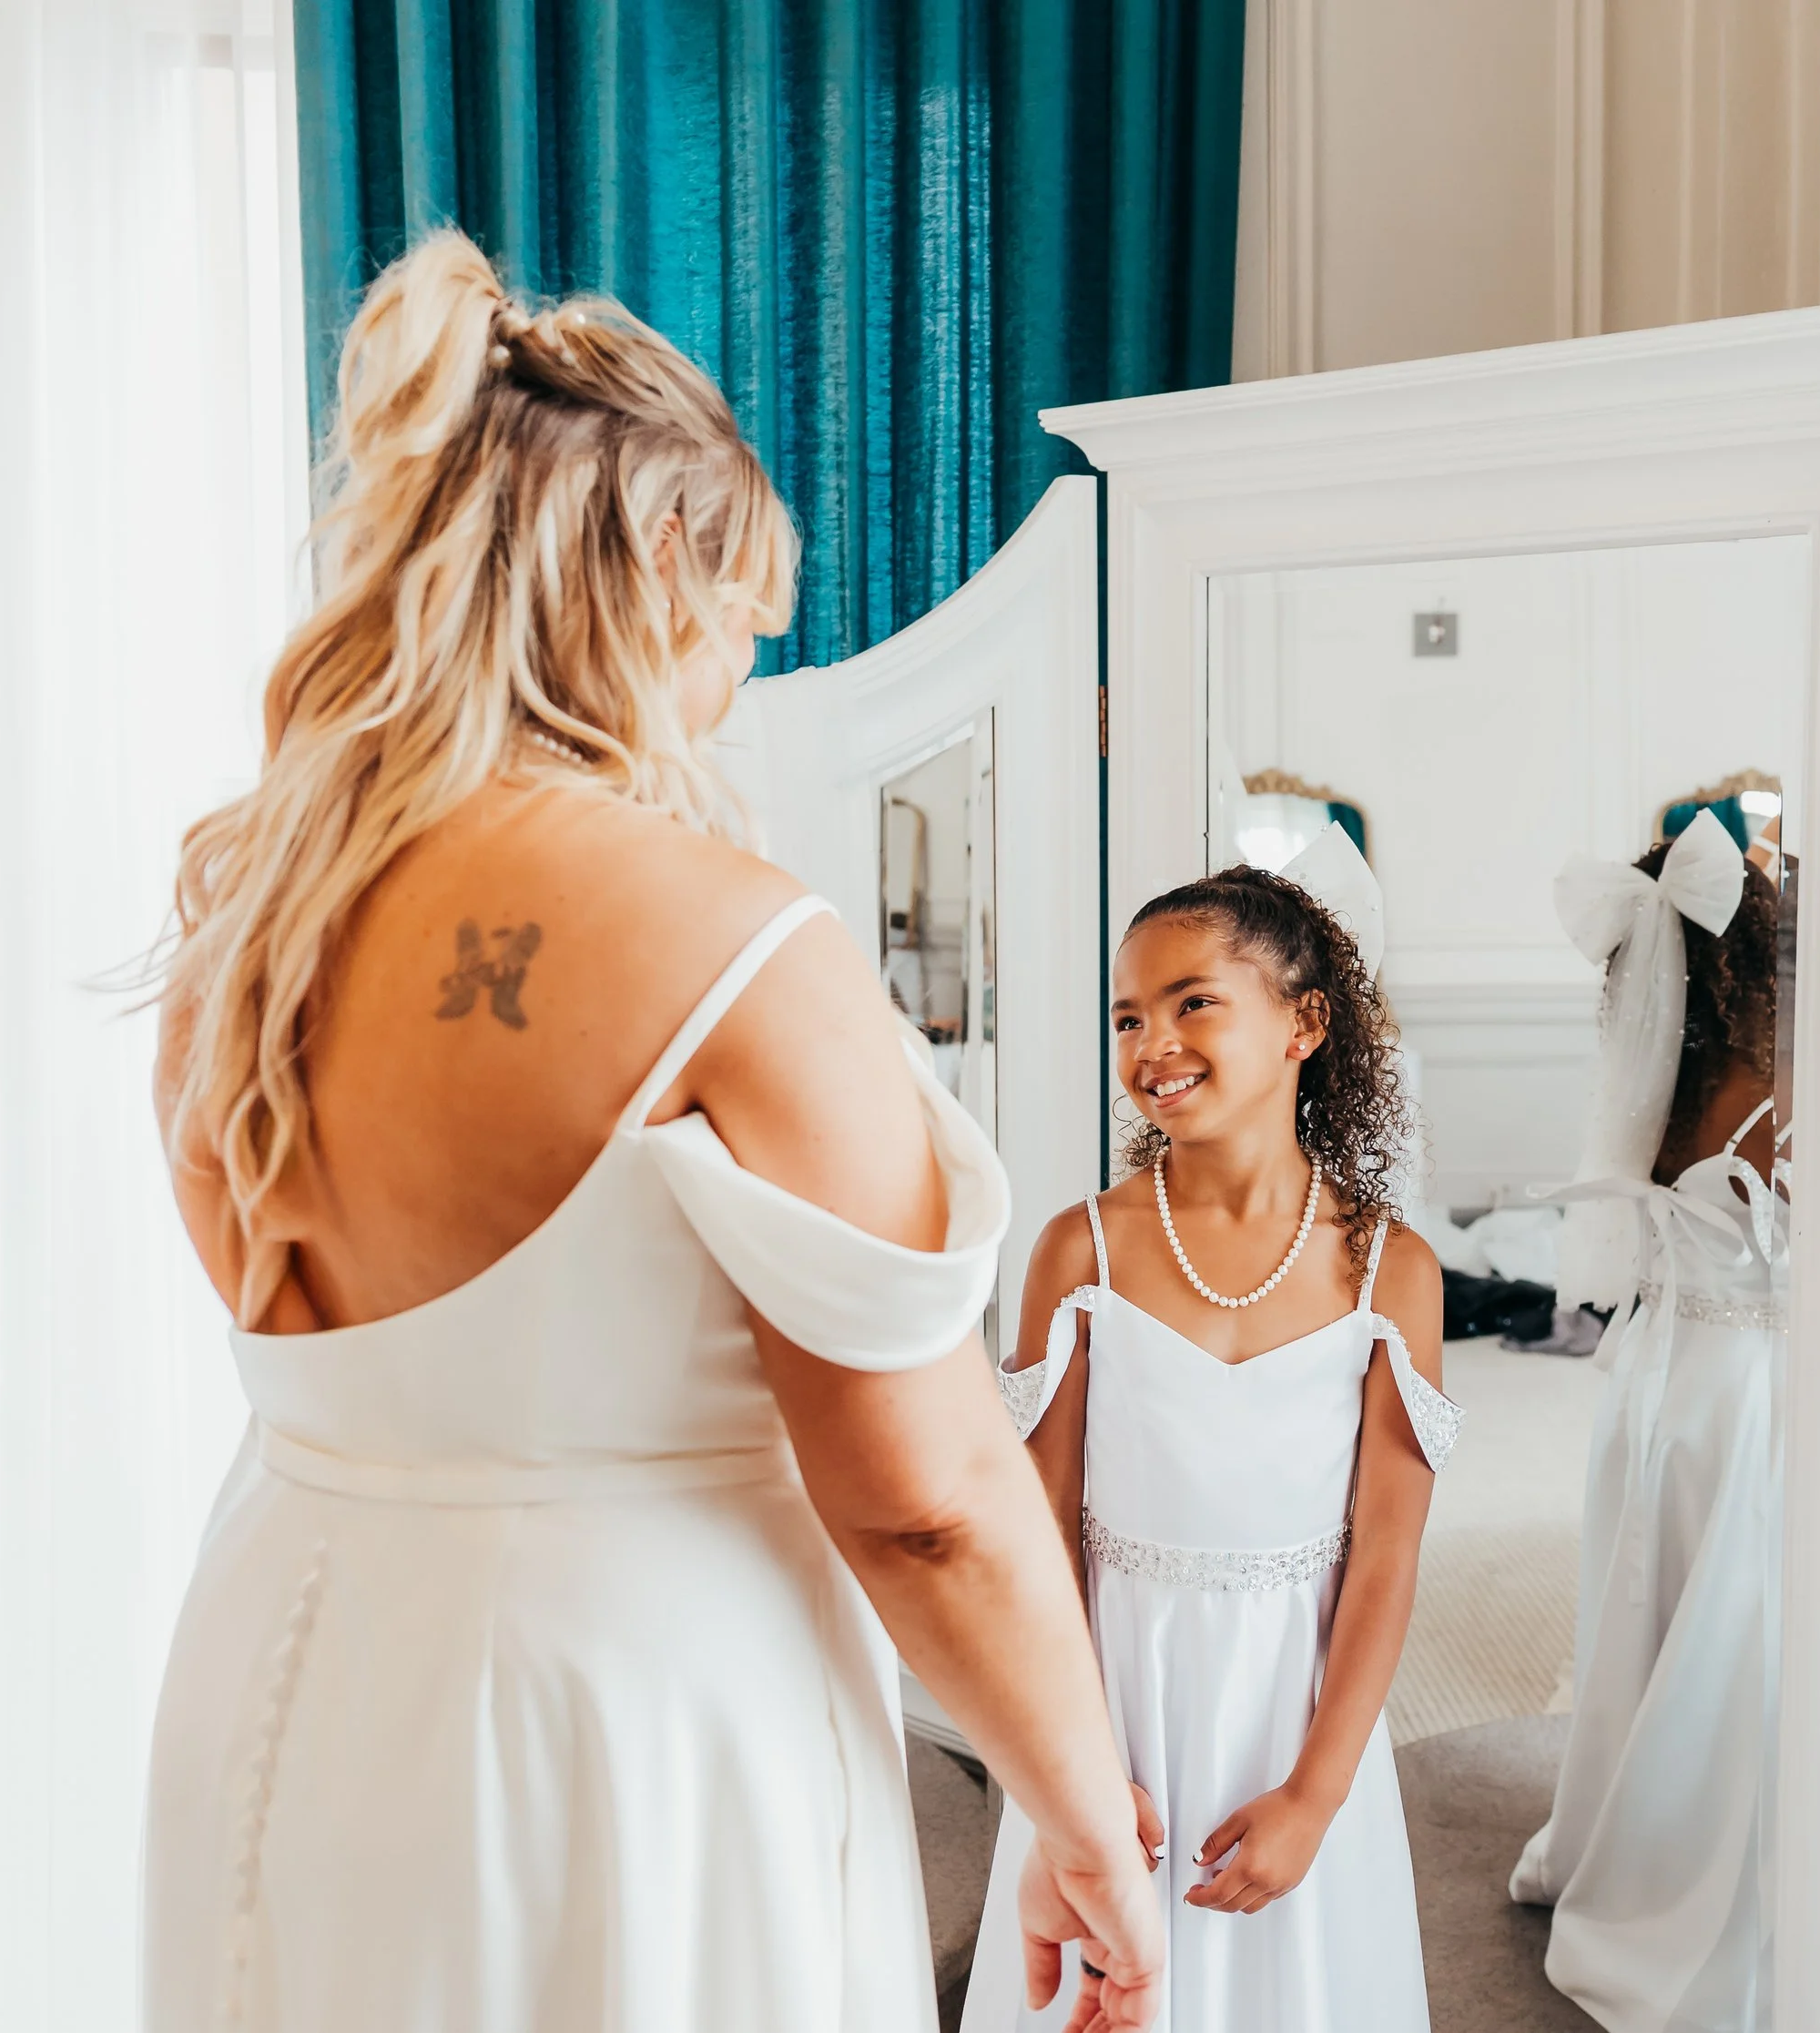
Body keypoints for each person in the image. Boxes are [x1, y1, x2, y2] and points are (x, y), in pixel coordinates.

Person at [141, 231, 1158, 2033]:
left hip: (287, 1659)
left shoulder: (249, 918)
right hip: (612, 1729)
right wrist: (1080, 1818)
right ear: (657, 578)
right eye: (740, 612)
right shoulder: (735, 943)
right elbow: (925, 1504)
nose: (742, 668)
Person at [962, 853, 1461, 2033]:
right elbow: (1039, 1536)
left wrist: (1316, 1792)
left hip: (1295, 1714)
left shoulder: (1393, 1273)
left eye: (1193, 1002)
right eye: (1130, 1015)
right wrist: (1070, 1767)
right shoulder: (1077, 1253)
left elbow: (1386, 1557)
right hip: (1114, 1695)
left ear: (1304, 1022)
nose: (1153, 1043)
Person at [1510, 808, 1788, 2033]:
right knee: (1729, 1642)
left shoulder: (1666, 1078)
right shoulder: (1781, 1093)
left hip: (1658, 1387)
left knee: (1653, 1623)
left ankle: (1612, 1823)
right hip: (1744, 1397)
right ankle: (1686, 1869)